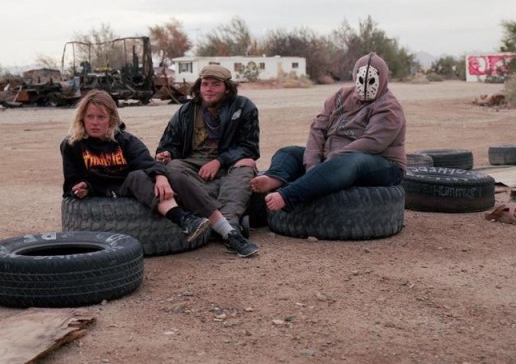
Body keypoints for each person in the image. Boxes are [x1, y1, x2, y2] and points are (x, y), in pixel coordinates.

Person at [252, 52, 406, 212]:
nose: (366, 85)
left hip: (382, 164)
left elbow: (372, 143)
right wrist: (312, 165)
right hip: (333, 159)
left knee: (353, 162)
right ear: (355, 76)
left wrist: (332, 160)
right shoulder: (340, 96)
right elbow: (318, 128)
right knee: (289, 152)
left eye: (372, 81)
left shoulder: (389, 107)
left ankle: (288, 195)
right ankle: (275, 177)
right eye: (361, 80)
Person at [60, 89, 211, 242]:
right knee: (137, 176)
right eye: (90, 117)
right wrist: (80, 189)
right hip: (99, 190)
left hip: (127, 186)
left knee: (151, 175)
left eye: (101, 117)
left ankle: (201, 224)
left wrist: (160, 178)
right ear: (82, 118)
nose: (95, 122)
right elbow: (70, 181)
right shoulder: (71, 145)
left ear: (111, 119)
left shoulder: (124, 140)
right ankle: (182, 218)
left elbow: (145, 161)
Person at [156, 65, 260, 258]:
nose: (208, 89)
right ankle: (226, 222)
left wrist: (220, 161)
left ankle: (228, 225)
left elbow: (250, 148)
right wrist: (167, 153)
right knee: (172, 168)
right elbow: (169, 144)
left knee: (247, 165)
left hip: (229, 166)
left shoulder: (244, 107)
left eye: (215, 84)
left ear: (227, 88)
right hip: (194, 167)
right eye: (205, 84)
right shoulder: (186, 112)